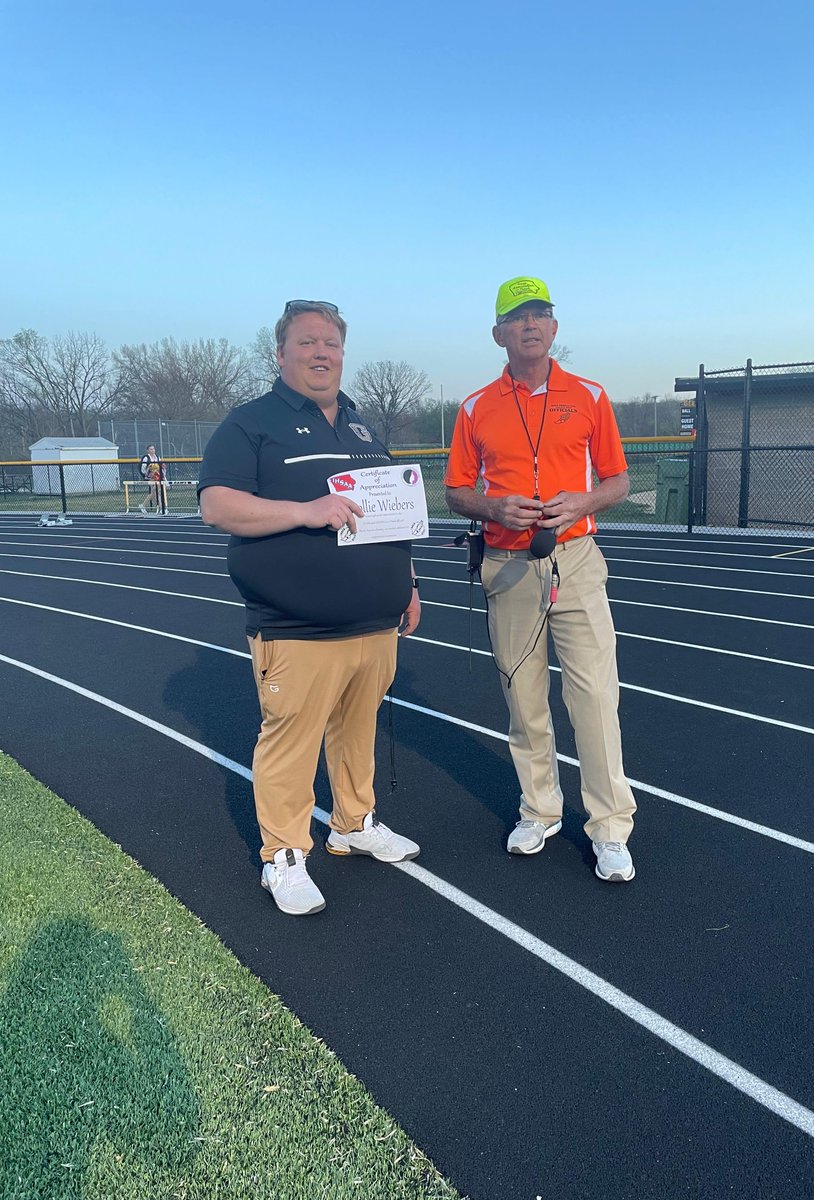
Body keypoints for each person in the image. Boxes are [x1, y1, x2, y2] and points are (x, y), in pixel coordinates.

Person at [199, 300, 421, 916]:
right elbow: (216, 506)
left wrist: (407, 582)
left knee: (357, 731)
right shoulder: (250, 423)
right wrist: (304, 511)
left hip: (374, 621)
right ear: (281, 353)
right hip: (296, 627)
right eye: (307, 342)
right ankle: (284, 855)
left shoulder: (361, 427)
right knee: (290, 743)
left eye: (331, 343)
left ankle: (353, 822)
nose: (321, 352)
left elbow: (390, 517)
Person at [445, 276, 637, 882]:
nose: (530, 324)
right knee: (524, 699)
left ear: (553, 328)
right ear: (498, 333)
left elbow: (618, 481)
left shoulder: (590, 396)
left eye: (540, 314)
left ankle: (610, 827)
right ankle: (539, 809)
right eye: (518, 316)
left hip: (575, 561)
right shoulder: (475, 407)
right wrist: (493, 508)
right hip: (508, 568)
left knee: (595, 698)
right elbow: (455, 491)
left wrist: (583, 502)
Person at [139, 444, 166, 515]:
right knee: (156, 492)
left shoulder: (157, 457)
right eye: (151, 449)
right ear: (147, 450)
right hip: (150, 478)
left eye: (153, 449)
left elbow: (161, 467)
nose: (152, 450)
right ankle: (161, 508)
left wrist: (163, 477)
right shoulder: (146, 458)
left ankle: (160, 508)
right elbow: (143, 469)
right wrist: (147, 475)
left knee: (156, 493)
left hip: (158, 477)